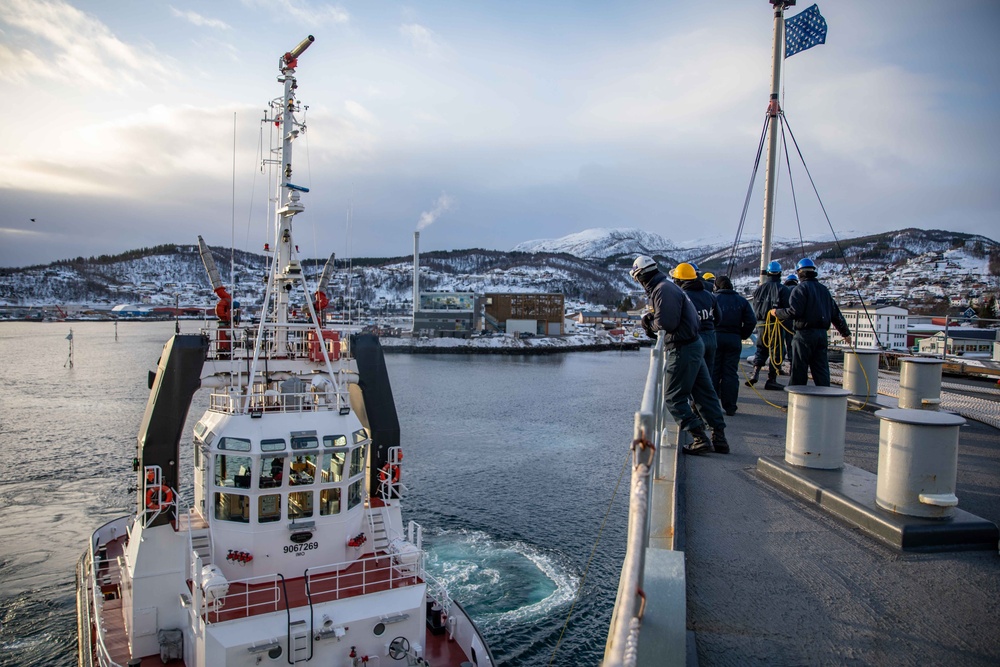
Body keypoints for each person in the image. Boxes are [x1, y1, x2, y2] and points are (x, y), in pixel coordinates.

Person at [632, 256, 728, 455]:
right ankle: (719, 437)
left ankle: (699, 437)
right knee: (704, 393)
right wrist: (653, 318)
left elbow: (667, 323)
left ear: (641, 276)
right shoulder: (668, 287)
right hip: (694, 344)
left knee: (673, 398)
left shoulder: (662, 290)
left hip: (682, 347)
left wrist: (648, 324)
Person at [771, 258, 852, 387]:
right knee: (821, 370)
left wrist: (777, 312)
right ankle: (825, 400)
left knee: (799, 370)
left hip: (804, 335)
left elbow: (794, 312)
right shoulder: (824, 290)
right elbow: (836, 314)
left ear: (799, 272)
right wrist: (845, 333)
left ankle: (796, 404)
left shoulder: (800, 289)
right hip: (821, 335)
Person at [712, 275, 756, 416]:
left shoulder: (713, 299)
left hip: (715, 338)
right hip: (734, 339)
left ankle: (710, 406)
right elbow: (751, 321)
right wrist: (742, 334)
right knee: (730, 373)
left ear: (717, 286)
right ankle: (730, 407)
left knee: (713, 371)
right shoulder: (741, 301)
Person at [672, 262, 720, 382]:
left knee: (690, 377)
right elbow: (719, 318)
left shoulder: (682, 297)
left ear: (679, 280)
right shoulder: (710, 296)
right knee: (707, 377)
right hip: (710, 337)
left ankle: (691, 400)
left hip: (694, 339)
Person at [747, 260, 790, 391]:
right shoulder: (783, 289)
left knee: (761, 349)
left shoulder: (759, 289)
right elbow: (787, 310)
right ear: (780, 274)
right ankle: (771, 379)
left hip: (761, 325)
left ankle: (755, 373)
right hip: (775, 325)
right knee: (776, 352)